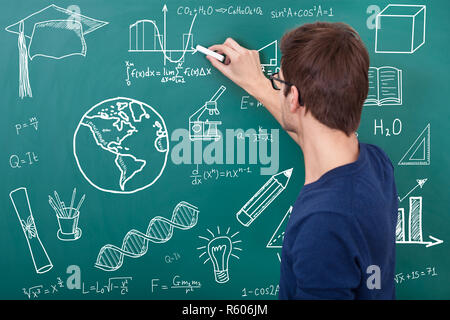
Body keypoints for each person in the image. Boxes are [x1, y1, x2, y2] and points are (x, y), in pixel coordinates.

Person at [205, 22, 398, 299]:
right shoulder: (377, 165)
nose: (277, 85)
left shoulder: (323, 224)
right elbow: (316, 136)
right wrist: (257, 82)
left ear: (293, 97)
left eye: (278, 80)